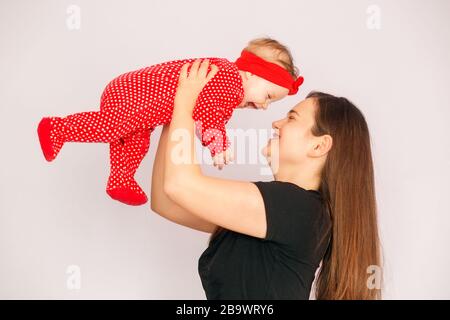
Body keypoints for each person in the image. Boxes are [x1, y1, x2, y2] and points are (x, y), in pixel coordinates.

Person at [151, 59, 382, 299]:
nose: (276, 123)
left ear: (319, 145)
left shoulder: (296, 208)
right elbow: (166, 202)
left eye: (291, 118)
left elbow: (179, 186)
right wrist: (178, 109)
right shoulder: (281, 212)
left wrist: (186, 103)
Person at [36, 38, 303, 206]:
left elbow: (203, 116)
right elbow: (207, 114)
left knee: (136, 140)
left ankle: (121, 179)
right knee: (114, 126)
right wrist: (218, 145)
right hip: (133, 92)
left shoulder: (227, 90)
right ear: (251, 74)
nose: (264, 106)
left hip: (143, 104)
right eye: (268, 96)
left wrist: (213, 137)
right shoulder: (229, 78)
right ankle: (57, 128)